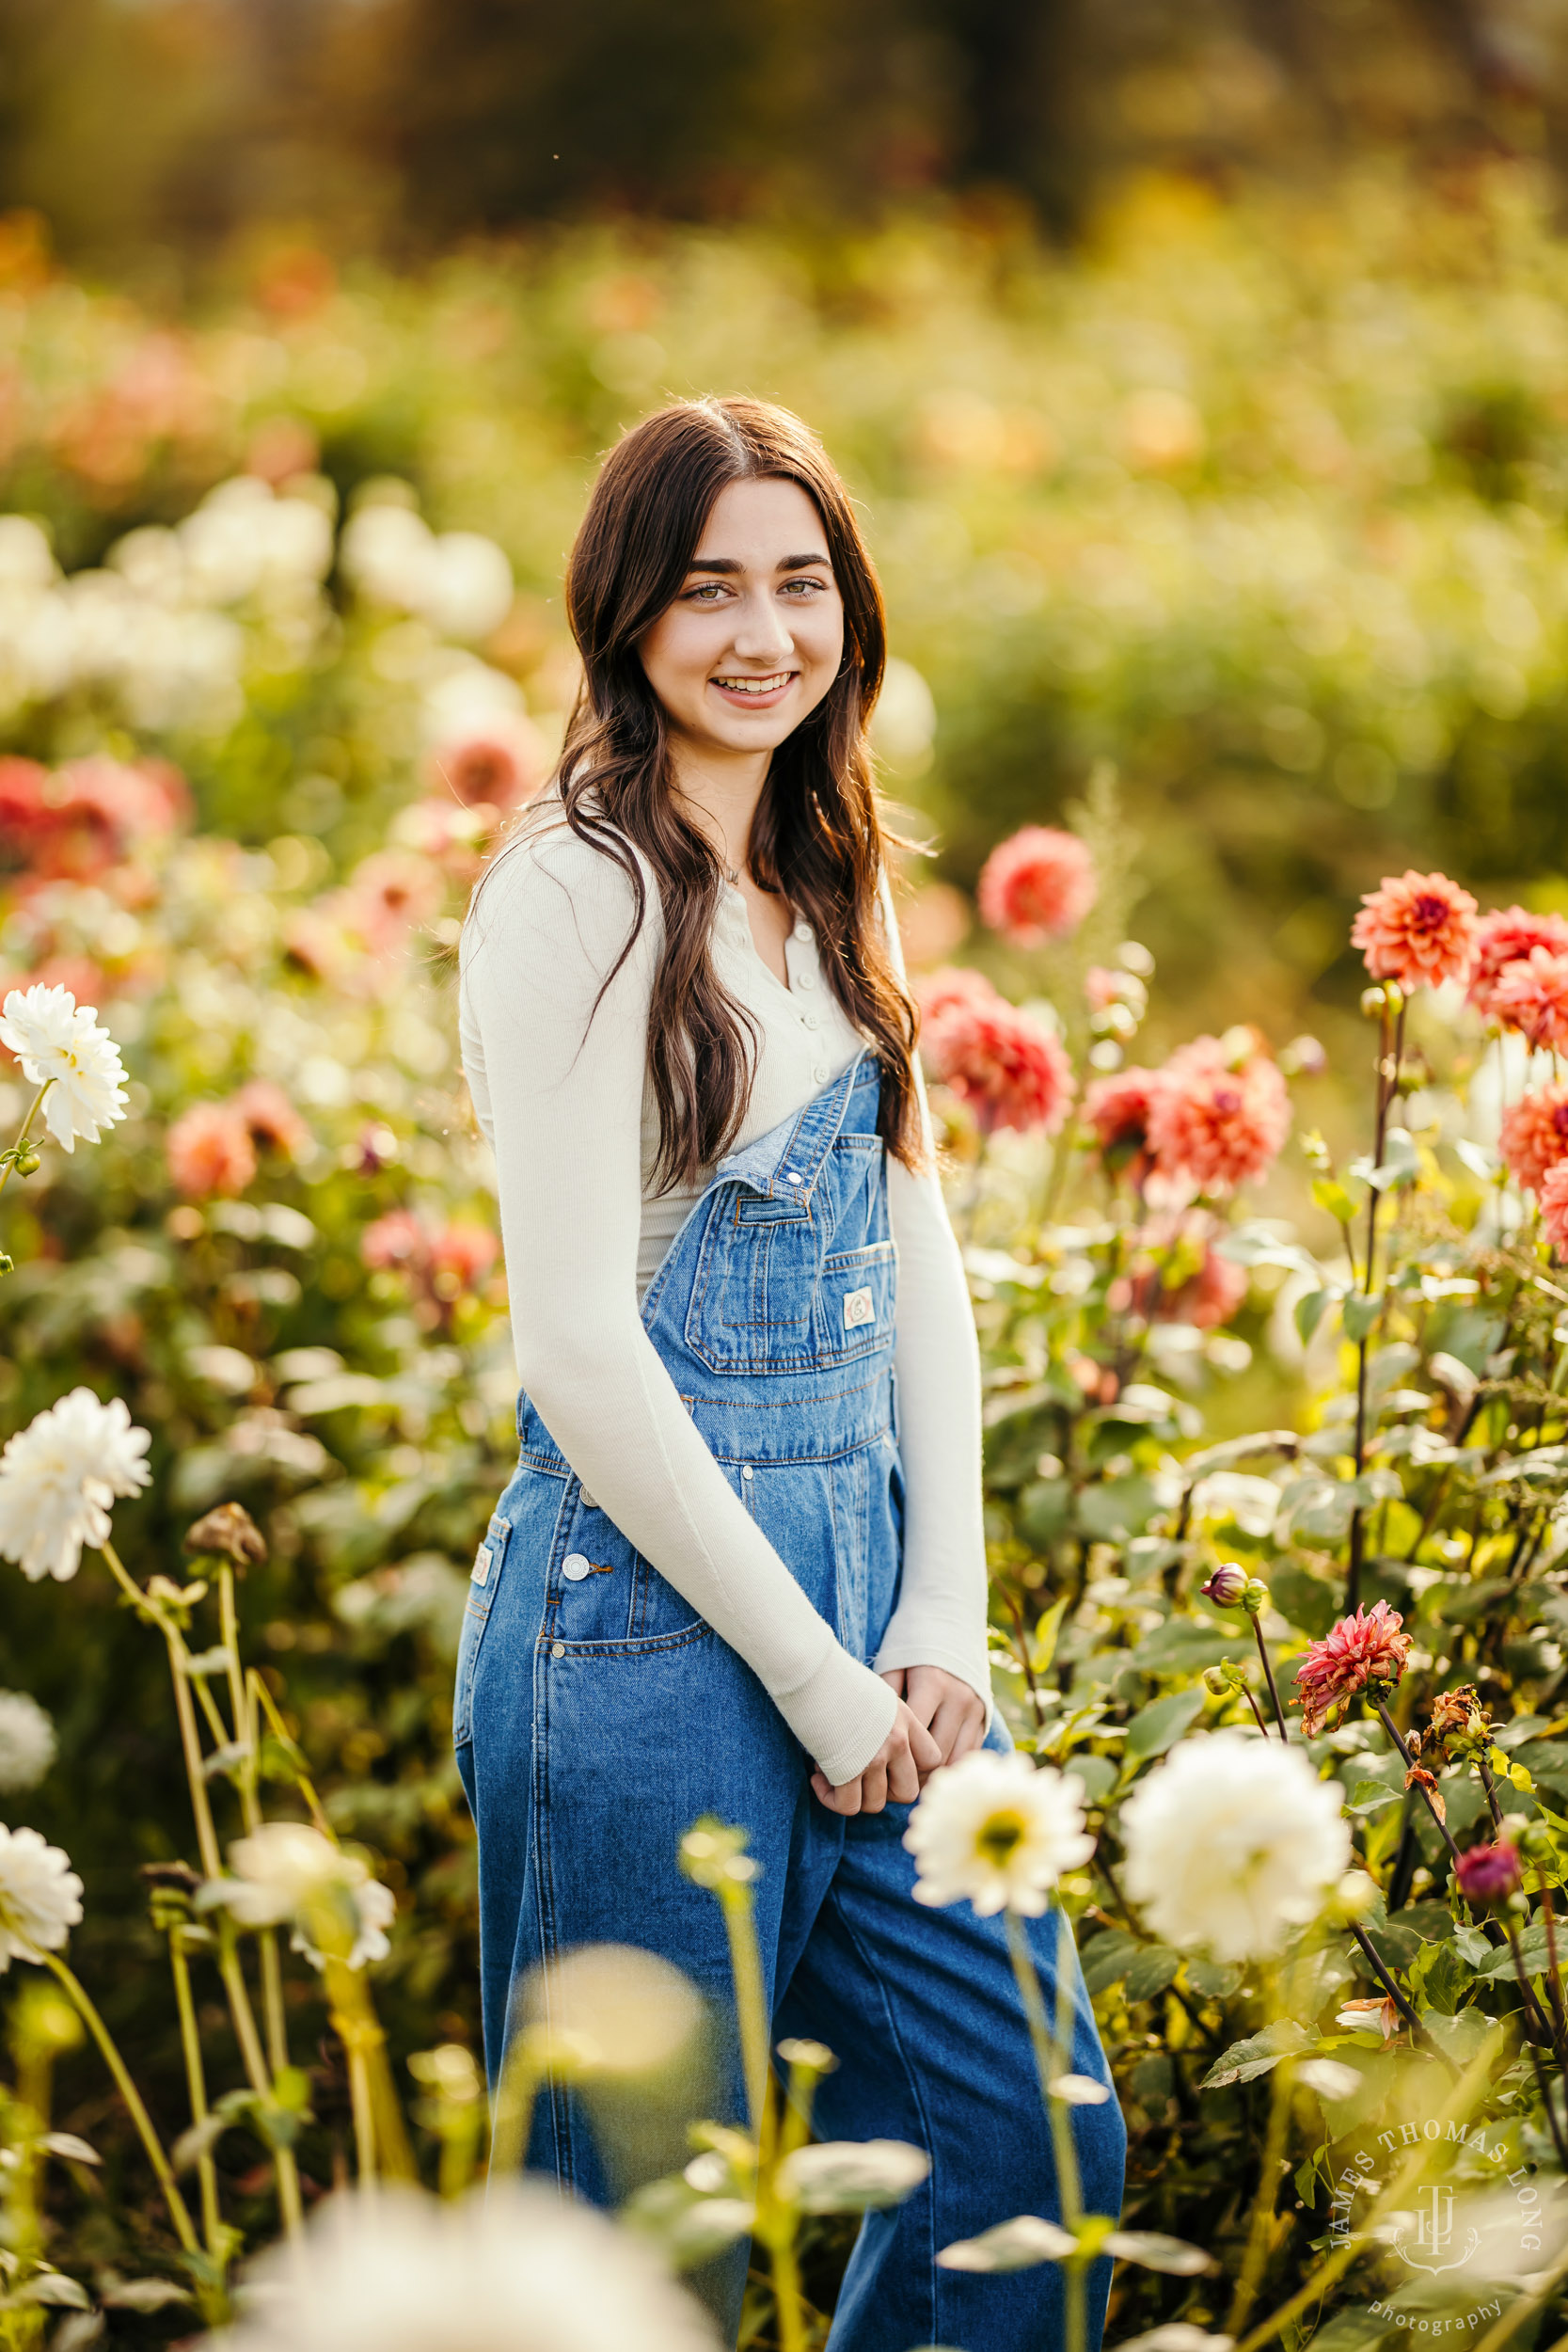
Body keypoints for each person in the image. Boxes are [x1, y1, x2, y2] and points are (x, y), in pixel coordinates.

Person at [455, 395, 1123, 2350]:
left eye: (801, 581)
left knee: (1036, 2160)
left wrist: (943, 1619)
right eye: (709, 587)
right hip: (640, 1632)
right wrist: (812, 1674)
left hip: (874, 1596)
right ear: (628, 616)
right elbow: (577, 1341)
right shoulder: (577, 890)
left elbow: (913, 1244)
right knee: (634, 2246)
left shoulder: (833, 867)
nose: (763, 632)